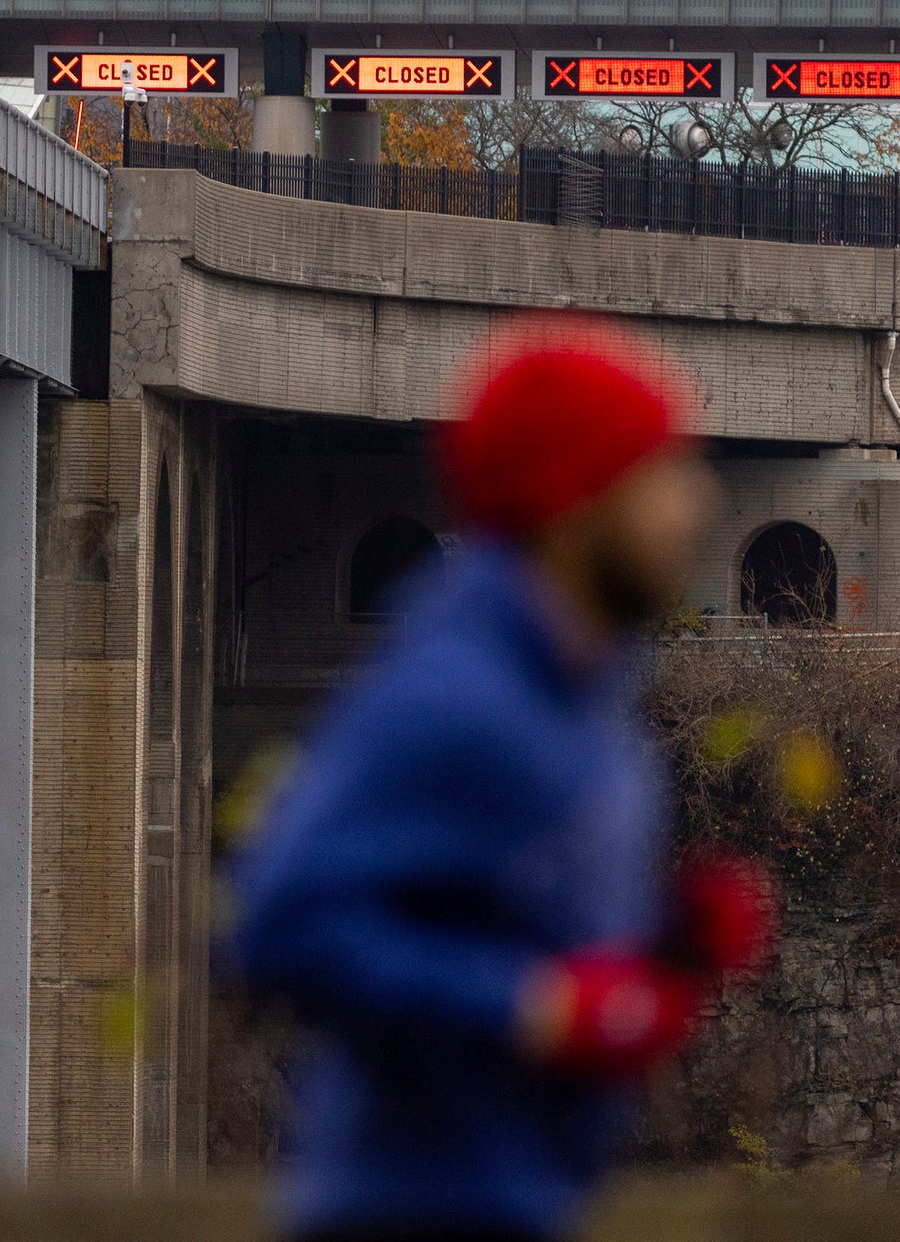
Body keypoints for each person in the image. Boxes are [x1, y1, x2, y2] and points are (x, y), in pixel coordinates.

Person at [230, 316, 776, 1242]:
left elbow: (492, 914)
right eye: (662, 472)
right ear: (574, 503)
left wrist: (664, 943)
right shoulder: (452, 698)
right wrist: (535, 1010)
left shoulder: (586, 698)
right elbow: (283, 924)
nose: (701, 503)